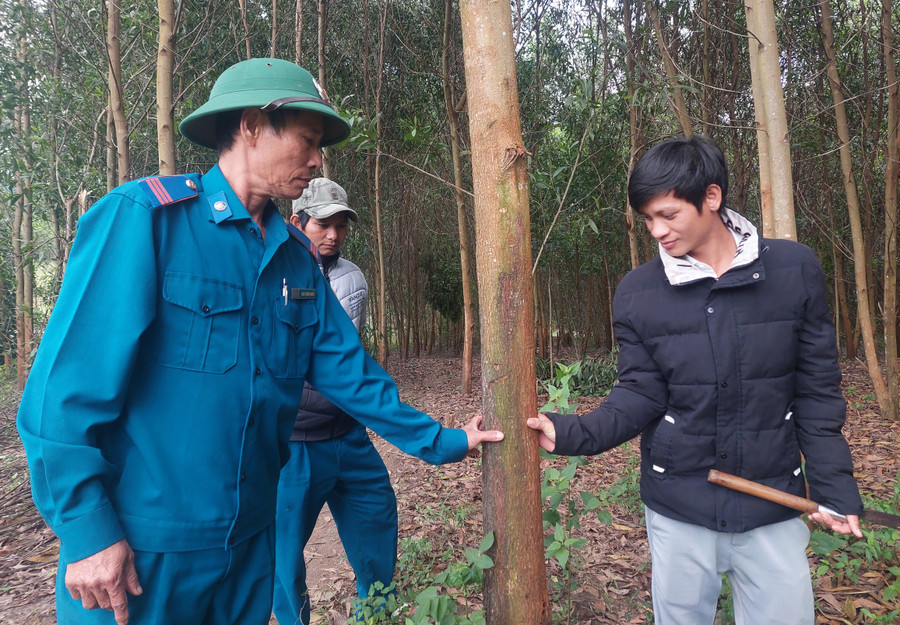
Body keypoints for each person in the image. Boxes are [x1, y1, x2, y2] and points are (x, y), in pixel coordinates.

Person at [16, 58, 502, 625]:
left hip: (249, 549)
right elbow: (62, 394)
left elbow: (353, 375)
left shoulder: (296, 262)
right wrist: (87, 528)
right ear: (250, 126)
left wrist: (442, 441)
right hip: (142, 553)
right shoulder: (147, 222)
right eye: (308, 139)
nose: (317, 159)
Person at [527, 135, 863, 625]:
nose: (656, 231)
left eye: (668, 215)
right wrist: (575, 431)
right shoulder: (639, 293)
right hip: (678, 504)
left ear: (711, 197)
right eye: (647, 219)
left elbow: (816, 392)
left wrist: (833, 486)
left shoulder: (794, 270)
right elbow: (641, 392)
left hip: (772, 500)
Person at [273, 178, 397, 624]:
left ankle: (376, 614)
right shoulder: (271, 272)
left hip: (348, 434)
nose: (333, 234)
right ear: (298, 221)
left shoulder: (351, 279)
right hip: (294, 446)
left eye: (341, 225)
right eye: (324, 223)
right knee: (283, 554)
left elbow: (338, 362)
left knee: (377, 524)